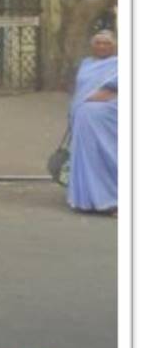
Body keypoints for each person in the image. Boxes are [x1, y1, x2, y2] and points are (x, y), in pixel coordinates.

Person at [67, 30, 117, 213]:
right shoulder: (86, 64)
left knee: (108, 156)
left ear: (114, 46)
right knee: (87, 158)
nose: (102, 46)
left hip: (107, 121)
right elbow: (80, 89)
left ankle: (112, 198)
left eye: (107, 43)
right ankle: (87, 200)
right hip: (83, 121)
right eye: (98, 43)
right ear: (92, 45)